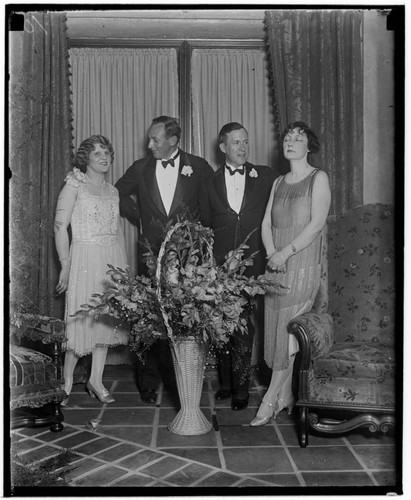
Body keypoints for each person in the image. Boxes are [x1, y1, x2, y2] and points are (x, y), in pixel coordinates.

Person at [115, 115, 214, 403]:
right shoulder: (141, 167)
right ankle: (147, 382)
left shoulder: (198, 167)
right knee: (149, 315)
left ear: (173, 140)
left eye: (155, 139)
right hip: (151, 252)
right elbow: (118, 193)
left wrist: (201, 238)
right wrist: (140, 218)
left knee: (185, 315)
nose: (149, 144)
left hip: (187, 255)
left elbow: (209, 205)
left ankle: (182, 381)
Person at [250, 121, 331, 426]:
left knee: (287, 333)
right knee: (280, 333)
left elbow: (316, 225)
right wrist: (273, 254)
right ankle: (286, 395)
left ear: (309, 146)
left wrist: (285, 252)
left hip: (302, 264)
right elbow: (266, 225)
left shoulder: (317, 178)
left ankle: (269, 400)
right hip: (277, 266)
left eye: (299, 138)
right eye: (287, 137)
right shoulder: (279, 182)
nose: (291, 141)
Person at [201, 122, 276, 411]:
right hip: (219, 267)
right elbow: (206, 225)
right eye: (236, 143)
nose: (242, 147)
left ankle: (241, 389)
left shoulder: (265, 176)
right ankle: (227, 383)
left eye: (245, 142)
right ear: (223, 148)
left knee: (244, 327)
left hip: (253, 265)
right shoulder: (209, 183)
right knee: (221, 325)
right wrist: (209, 265)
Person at [54, 135, 129, 406]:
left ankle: (96, 380)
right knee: (80, 321)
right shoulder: (74, 184)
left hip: (110, 259)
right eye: (97, 153)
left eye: (107, 152)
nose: (103, 157)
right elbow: (59, 227)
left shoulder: (113, 191)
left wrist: (123, 271)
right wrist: (65, 264)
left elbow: (117, 231)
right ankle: (67, 382)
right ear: (86, 158)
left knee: (103, 322)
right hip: (84, 258)